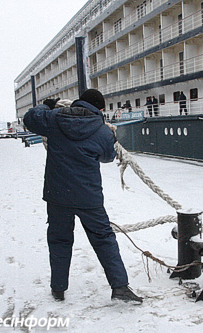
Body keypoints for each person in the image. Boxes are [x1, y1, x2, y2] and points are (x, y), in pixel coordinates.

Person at [23, 89, 143, 304]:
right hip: (89, 198)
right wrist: (109, 138)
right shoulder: (102, 131)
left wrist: (47, 105)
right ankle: (120, 287)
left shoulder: (54, 118)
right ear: (100, 109)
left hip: (57, 195)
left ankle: (58, 289)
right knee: (105, 240)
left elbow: (30, 119)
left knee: (59, 241)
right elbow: (107, 157)